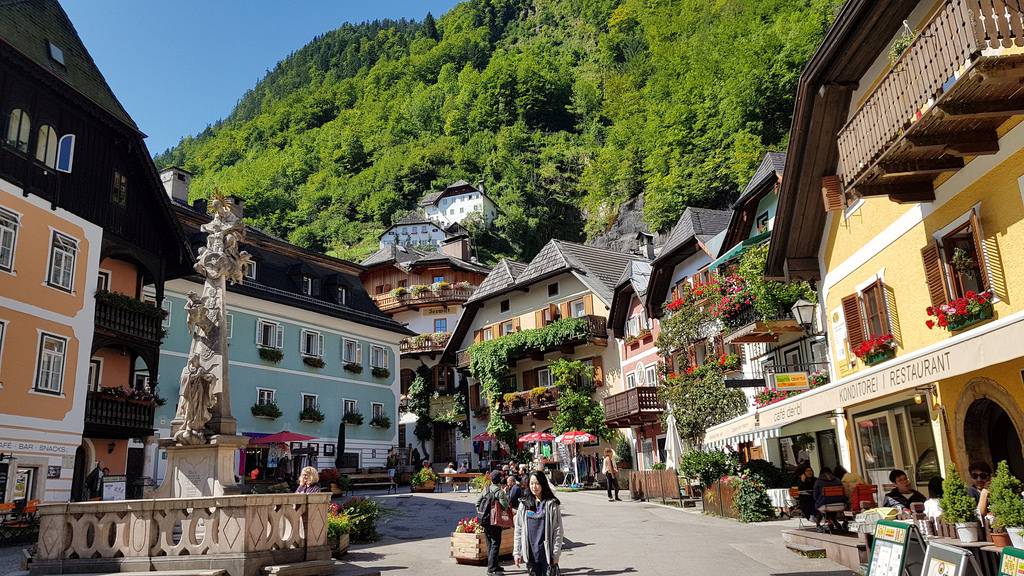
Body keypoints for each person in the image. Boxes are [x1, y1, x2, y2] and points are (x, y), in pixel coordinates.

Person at [514, 471, 564, 576]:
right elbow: (518, 529)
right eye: (531, 483)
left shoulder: (551, 504)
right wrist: (517, 552)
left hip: (547, 555)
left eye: (537, 483)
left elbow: (558, 530)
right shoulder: (524, 504)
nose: (534, 486)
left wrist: (556, 553)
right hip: (531, 554)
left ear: (543, 484)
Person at [476, 470, 511, 575]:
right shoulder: (499, 492)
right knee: (495, 543)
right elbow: (505, 506)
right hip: (494, 521)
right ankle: (491, 569)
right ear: (499, 480)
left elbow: (477, 503)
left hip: (484, 520)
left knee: (489, 543)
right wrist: (505, 494)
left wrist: (482, 513)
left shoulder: (485, 489)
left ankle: (494, 565)